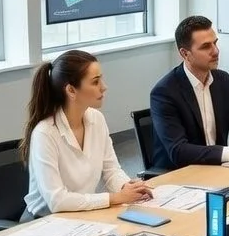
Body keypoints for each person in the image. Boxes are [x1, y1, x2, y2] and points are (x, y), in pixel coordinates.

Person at [20, 49, 152, 219]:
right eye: (95, 82)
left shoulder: (96, 119)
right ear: (71, 90)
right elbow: (57, 201)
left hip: (82, 214)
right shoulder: (45, 133)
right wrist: (115, 198)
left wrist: (126, 187)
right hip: (43, 221)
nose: (104, 87)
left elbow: (111, 170)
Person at [149, 15, 229, 171]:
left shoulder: (222, 80)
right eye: (206, 46)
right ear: (185, 54)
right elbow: (179, 151)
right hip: (182, 175)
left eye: (215, 43)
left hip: (217, 168)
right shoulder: (164, 92)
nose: (215, 51)